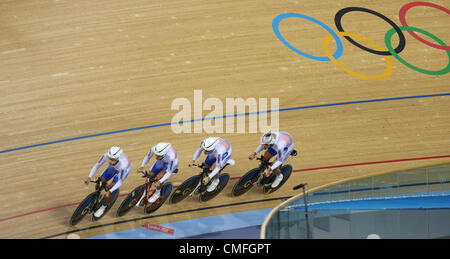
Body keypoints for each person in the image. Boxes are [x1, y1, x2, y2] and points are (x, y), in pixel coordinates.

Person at [85, 146, 131, 217]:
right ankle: (97, 195)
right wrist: (89, 177)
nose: (110, 161)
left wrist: (110, 191)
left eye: (113, 160)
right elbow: (97, 165)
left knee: (110, 189)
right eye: (110, 159)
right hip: (113, 168)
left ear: (117, 159)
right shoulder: (106, 156)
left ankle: (103, 208)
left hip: (121, 171)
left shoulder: (123, 165)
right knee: (99, 181)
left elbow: (121, 181)